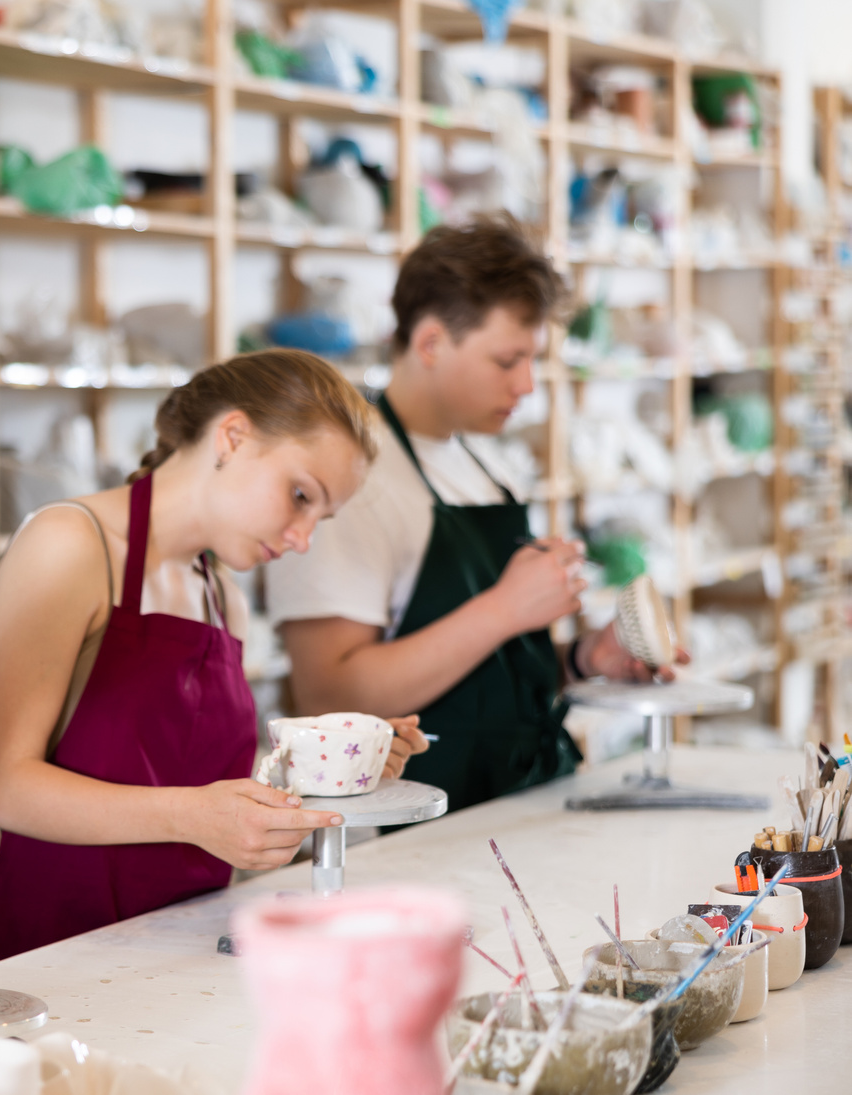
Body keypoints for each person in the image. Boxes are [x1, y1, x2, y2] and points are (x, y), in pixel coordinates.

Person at [0, 350, 430, 968]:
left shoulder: (223, 599)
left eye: (321, 517)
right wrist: (195, 816)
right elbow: (2, 787)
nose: (303, 539)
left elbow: (194, 785)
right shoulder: (70, 546)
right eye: (300, 496)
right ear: (233, 437)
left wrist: (341, 768)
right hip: (55, 953)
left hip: (183, 946)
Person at [269, 214, 680, 815]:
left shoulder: (484, 465)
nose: (528, 385)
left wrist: (579, 660)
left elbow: (487, 680)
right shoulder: (349, 478)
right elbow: (329, 694)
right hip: (415, 828)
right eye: (507, 360)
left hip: (522, 800)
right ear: (431, 342)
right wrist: (504, 609)